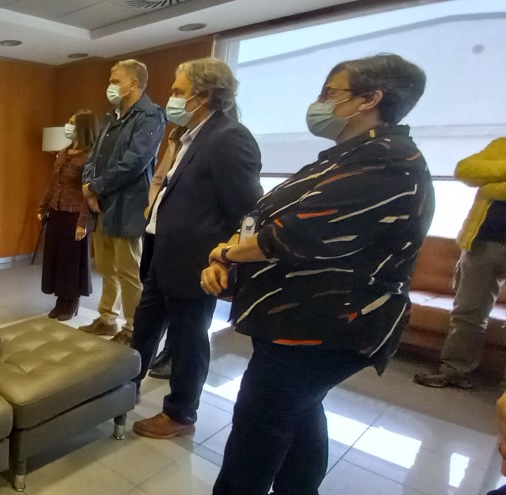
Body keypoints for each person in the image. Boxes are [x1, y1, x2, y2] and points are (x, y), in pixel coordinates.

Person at [202, 54, 432, 494]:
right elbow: (262, 216)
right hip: (294, 320)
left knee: (257, 431)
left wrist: (226, 252)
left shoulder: (388, 163)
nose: (319, 102)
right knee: (300, 413)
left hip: (323, 325)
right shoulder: (346, 157)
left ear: (370, 99)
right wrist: (229, 256)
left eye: (330, 92)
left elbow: (292, 234)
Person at [129, 57, 263, 439]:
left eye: (178, 91)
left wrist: (226, 260)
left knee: (188, 341)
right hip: (162, 256)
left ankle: (181, 414)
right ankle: (123, 389)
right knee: (144, 329)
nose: (170, 98)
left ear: (203, 96)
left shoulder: (229, 138)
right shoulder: (189, 136)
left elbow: (249, 211)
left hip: (195, 264)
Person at [79, 59, 167, 338]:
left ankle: (133, 327)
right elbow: (93, 157)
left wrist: (96, 187)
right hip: (101, 203)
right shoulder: (110, 116)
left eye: (115, 81)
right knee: (106, 267)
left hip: (128, 204)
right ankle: (107, 318)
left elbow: (134, 162)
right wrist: (88, 187)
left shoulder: (150, 116)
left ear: (134, 83)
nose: (111, 86)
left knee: (128, 270)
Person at [414, 138, 506, 389]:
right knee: (468, 313)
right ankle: (454, 372)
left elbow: (489, 187)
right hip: (480, 244)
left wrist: (491, 185)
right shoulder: (501, 145)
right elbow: (465, 170)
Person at [38, 110, 96, 321]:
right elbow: (54, 183)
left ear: (83, 127)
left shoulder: (90, 157)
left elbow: (88, 193)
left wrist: (83, 222)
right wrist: (42, 206)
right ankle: (60, 299)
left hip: (74, 215)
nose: (68, 126)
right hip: (57, 212)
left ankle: (71, 300)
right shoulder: (63, 153)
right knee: (56, 257)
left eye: (72, 122)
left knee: (71, 261)